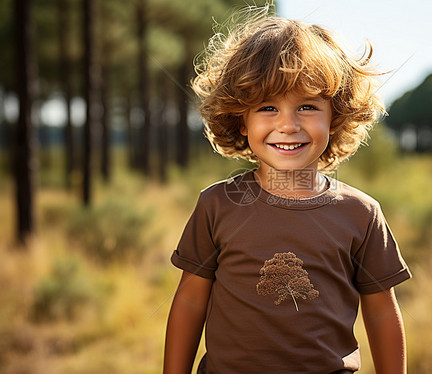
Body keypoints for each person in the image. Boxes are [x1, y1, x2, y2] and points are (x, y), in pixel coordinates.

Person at [164, 6, 411, 374]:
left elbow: (380, 311)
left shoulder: (361, 214)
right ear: (241, 121)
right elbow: (189, 301)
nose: (288, 125)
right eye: (267, 107)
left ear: (335, 118)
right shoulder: (216, 205)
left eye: (307, 106)